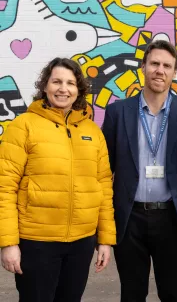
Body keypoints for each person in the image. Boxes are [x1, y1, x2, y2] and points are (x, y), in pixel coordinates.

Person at [0, 57, 116, 302]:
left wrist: (105, 239)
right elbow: (5, 187)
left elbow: (104, 187)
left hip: (82, 242)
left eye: (70, 83)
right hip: (37, 242)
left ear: (78, 90)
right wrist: (8, 243)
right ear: (45, 86)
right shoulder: (23, 126)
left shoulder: (92, 131)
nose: (63, 88)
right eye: (57, 81)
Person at [102, 40, 177, 302]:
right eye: (154, 64)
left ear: (174, 72)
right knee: (132, 293)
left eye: (166, 66)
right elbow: (103, 172)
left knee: (173, 293)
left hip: (172, 218)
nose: (159, 70)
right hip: (129, 219)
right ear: (143, 68)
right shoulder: (118, 112)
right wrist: (102, 227)